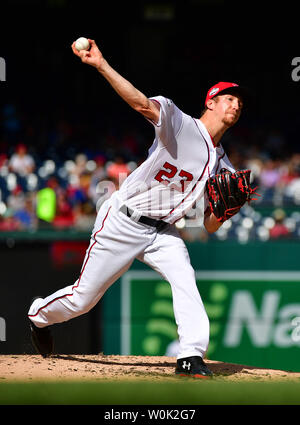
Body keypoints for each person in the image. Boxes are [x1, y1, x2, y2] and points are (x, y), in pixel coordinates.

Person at [28, 38, 247, 379]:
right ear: (211, 102)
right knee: (82, 299)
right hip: (123, 220)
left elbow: (209, 226)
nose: (236, 104)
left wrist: (225, 211)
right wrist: (101, 65)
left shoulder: (225, 165)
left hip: (162, 231)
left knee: (184, 275)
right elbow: (142, 104)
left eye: (239, 101)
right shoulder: (180, 122)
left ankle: (190, 355)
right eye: (229, 98)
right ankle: (39, 316)